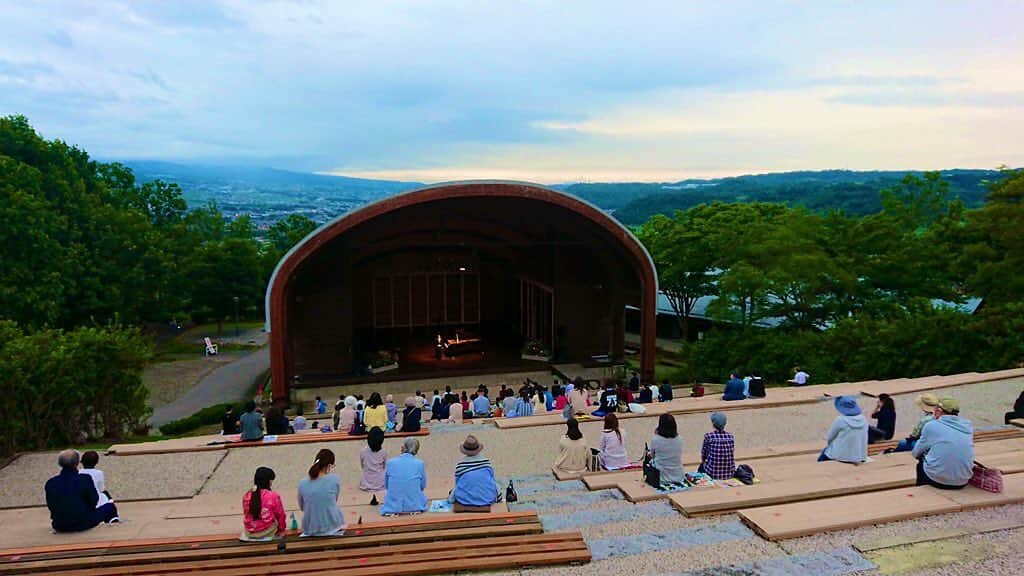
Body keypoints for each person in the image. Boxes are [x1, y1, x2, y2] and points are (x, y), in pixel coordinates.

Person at [45, 450, 119, 532]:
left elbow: (51, 505)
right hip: (82, 523)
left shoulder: (50, 483)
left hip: (59, 525)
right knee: (110, 506)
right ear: (77, 463)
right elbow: (94, 500)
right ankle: (113, 522)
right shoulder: (84, 479)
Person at [913, 397, 974, 489]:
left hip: (937, 480)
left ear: (939, 411)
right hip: (962, 481)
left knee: (921, 460)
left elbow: (916, 452)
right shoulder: (967, 426)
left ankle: (922, 491)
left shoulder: (931, 425)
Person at [297, 449, 346, 536]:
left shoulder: (302, 483)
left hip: (310, 529)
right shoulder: (334, 479)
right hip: (332, 528)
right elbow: (334, 500)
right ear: (329, 465)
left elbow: (302, 507)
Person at [449, 435, 500, 512]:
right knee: (496, 486)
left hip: (464, 500)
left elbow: (458, 484)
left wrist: (451, 498)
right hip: (487, 498)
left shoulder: (461, 465)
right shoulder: (486, 463)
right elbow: (491, 479)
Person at [381, 438, 428, 515]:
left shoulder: (390, 462)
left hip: (393, 506)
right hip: (414, 505)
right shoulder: (420, 463)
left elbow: (387, 486)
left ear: (403, 448)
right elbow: (422, 486)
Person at [241, 466, 286, 541]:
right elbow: (280, 515)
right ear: (268, 481)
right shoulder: (273, 496)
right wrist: (281, 530)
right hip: (267, 531)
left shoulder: (247, 495)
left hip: (250, 531)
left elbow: (247, 513)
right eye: (271, 480)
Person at [819, 396, 868, 463]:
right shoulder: (864, 419)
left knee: (824, 455)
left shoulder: (840, 420)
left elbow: (830, 437)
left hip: (840, 456)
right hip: (859, 455)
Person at [649, 414, 685, 484]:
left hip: (660, 477)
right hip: (678, 475)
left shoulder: (656, 439)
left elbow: (652, 456)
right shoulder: (680, 439)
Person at [699, 412, 736, 479]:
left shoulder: (709, 436)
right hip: (729, 473)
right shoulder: (730, 436)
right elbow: (731, 452)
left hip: (712, 473)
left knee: (701, 467)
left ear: (713, 424)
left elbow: (704, 454)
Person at [359, 427, 387, 492]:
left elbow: (362, 466)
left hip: (365, 484)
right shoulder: (384, 452)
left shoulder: (363, 451)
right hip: (380, 484)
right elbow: (384, 467)